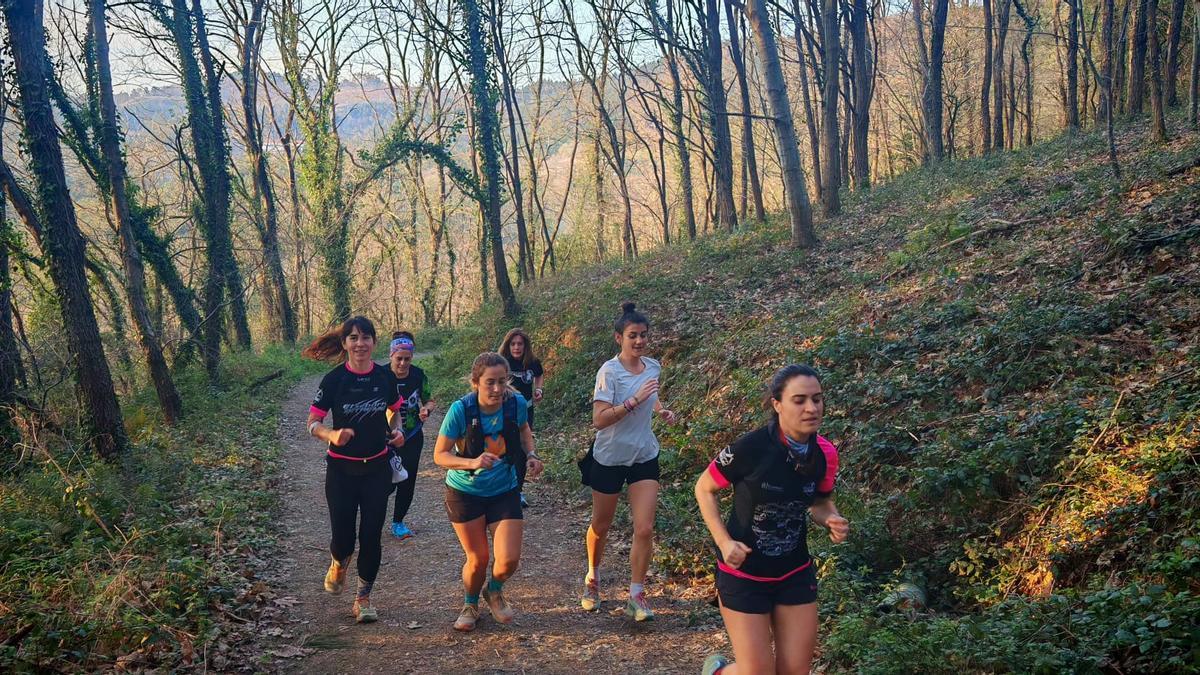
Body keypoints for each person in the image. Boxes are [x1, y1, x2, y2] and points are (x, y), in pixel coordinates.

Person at [694, 365, 849, 675]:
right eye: (800, 400)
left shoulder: (825, 454)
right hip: (744, 574)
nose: (811, 408)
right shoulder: (751, 448)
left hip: (793, 572)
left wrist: (831, 518)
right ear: (777, 404)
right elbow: (704, 487)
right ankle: (718, 671)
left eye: (817, 399)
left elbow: (819, 502)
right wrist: (724, 542)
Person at [303, 316, 405, 624]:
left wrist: (396, 431)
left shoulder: (385, 377)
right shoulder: (334, 380)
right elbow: (312, 423)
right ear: (345, 343)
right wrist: (331, 435)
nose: (360, 343)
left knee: (371, 536)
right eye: (353, 338)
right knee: (344, 539)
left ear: (375, 342)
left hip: (376, 469)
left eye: (366, 337)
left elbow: (394, 411)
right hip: (341, 472)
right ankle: (338, 562)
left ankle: (363, 599)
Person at [432, 352, 544, 631]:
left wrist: (531, 454)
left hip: (503, 489)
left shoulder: (515, 402)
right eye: (490, 382)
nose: (497, 389)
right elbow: (440, 455)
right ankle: (470, 603)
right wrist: (471, 461)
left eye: (502, 382)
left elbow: (524, 430)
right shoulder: (461, 410)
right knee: (478, 558)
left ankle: (493, 590)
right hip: (464, 492)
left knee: (508, 560)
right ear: (475, 383)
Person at [580, 302, 676, 621]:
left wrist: (660, 409)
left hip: (643, 455)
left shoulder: (653, 367)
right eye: (633, 335)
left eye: (644, 335)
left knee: (645, 528)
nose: (639, 341)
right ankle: (592, 577)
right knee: (601, 524)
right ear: (618, 337)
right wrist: (632, 402)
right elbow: (599, 419)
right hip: (609, 457)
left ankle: (637, 594)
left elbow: (651, 393)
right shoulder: (609, 372)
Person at [387, 331, 436, 540]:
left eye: (407, 359)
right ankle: (372, 515)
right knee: (383, 482)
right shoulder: (380, 376)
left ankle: (398, 522)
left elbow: (430, 400)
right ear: (391, 355)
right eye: (399, 358)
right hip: (384, 438)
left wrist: (426, 409)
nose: (403, 363)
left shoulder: (418, 375)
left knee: (407, 480)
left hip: (413, 435)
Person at [498, 328, 543, 507]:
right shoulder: (502, 362)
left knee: (523, 449)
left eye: (520, 344)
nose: (516, 347)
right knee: (504, 448)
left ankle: (518, 491)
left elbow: (539, 375)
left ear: (525, 346)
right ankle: (502, 487)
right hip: (504, 411)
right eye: (513, 344)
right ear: (508, 345)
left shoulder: (532, 362)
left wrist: (539, 389)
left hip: (526, 411)